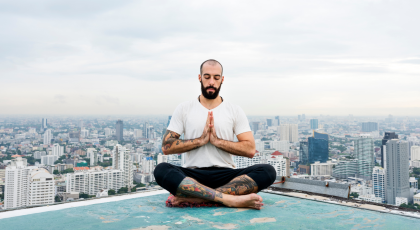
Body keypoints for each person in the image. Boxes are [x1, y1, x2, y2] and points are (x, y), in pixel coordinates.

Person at [154, 59, 276, 210]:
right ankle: (230, 200)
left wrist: (218, 142)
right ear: (200, 78)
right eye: (207, 77)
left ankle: (197, 199)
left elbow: (250, 149)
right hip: (192, 176)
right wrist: (200, 140)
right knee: (161, 170)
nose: (211, 82)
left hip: (227, 176)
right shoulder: (184, 108)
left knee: (268, 171)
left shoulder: (234, 110)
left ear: (222, 80)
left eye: (216, 78)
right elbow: (167, 147)